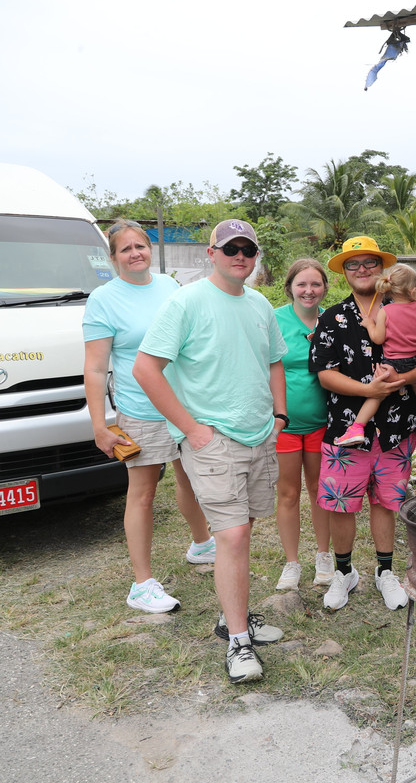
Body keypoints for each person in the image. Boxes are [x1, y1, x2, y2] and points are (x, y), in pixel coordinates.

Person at [133, 219, 287, 685]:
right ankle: (238, 642)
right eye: (231, 248)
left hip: (259, 434)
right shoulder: (187, 301)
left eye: (248, 249)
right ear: (211, 252)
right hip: (212, 437)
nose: (240, 256)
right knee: (233, 536)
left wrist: (279, 417)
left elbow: (275, 360)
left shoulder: (260, 303)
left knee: (244, 530)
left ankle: (231, 615)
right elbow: (145, 369)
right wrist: (190, 429)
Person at [83, 219, 215, 614]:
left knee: (190, 478)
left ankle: (201, 543)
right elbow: (95, 368)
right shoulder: (103, 300)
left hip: (184, 404)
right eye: (126, 249)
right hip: (141, 411)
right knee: (142, 494)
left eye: (140, 246)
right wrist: (100, 425)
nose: (136, 253)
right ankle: (141, 584)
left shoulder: (169, 287)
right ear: (112, 258)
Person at [310, 236, 416, 612]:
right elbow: (324, 374)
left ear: (382, 268)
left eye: (369, 262)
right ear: (344, 272)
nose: (362, 270)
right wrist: (367, 388)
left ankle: (385, 572)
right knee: (340, 504)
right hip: (347, 425)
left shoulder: (409, 308)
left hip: (398, 423)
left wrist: (406, 378)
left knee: (386, 501)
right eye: (353, 264)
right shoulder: (332, 317)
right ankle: (344, 573)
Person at [273, 258, 336, 591]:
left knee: (320, 491)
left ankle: (324, 555)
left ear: (324, 287)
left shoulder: (333, 321)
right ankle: (292, 562)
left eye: (315, 284)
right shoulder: (274, 319)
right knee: (287, 493)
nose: (308, 291)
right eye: (302, 284)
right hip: (283, 423)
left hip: (322, 421)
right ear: (290, 287)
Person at [334, 262, 416, 448]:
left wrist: (369, 324)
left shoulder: (386, 311)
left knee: (376, 395)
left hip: (394, 363)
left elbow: (378, 338)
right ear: (413, 290)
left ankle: (357, 428)